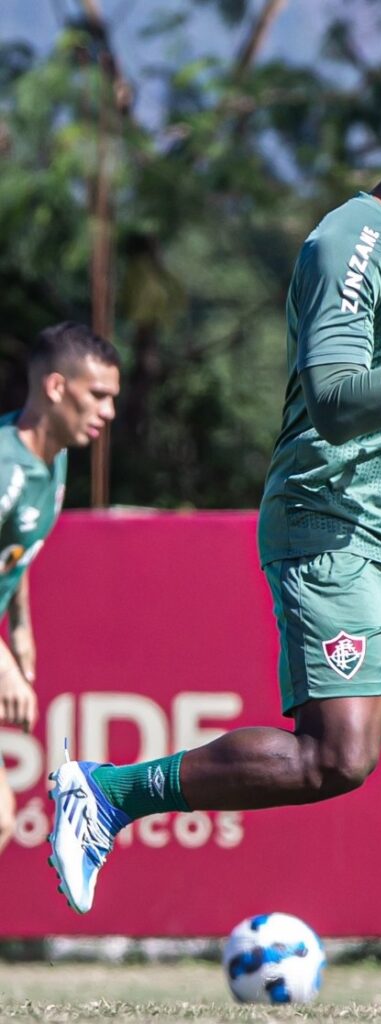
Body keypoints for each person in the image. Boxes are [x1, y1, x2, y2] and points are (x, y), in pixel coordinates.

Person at [47, 65, 381, 1010]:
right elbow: (340, 406)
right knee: (335, 759)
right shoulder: (349, 241)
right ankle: (109, 793)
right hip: (333, 524)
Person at [0, 322, 120, 854]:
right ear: (55, 388)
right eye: (97, 395)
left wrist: (21, 625)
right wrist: (4, 664)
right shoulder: (7, 469)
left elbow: (14, 549)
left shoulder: (55, 459)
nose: (109, 411)